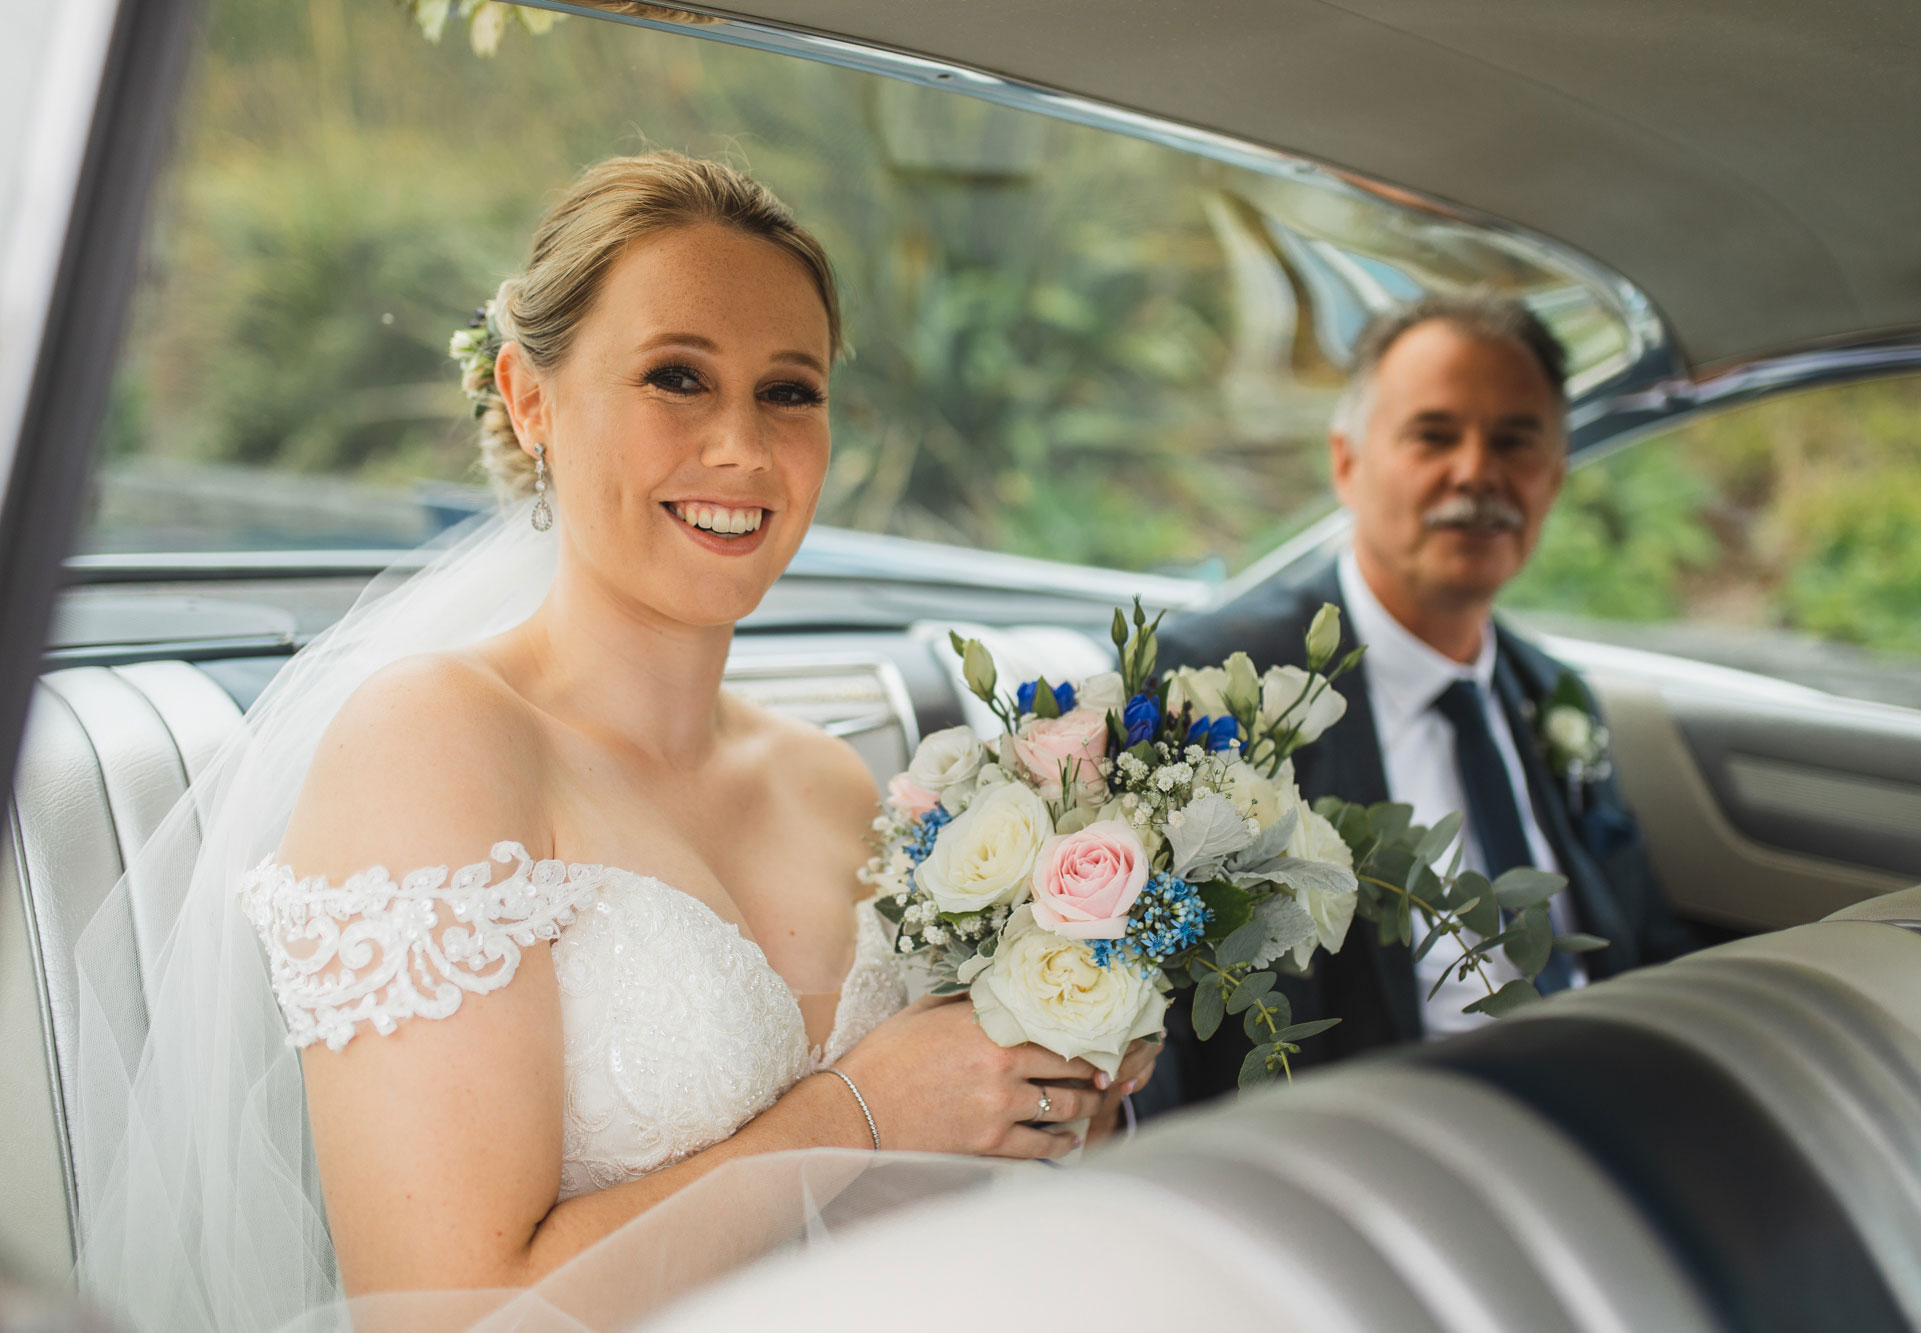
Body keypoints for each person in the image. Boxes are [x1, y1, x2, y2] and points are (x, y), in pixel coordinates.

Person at [72, 151, 1154, 1333]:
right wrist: (857, 1110)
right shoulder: (432, 744)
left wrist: (1035, 1103)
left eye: (789, 391)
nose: (743, 448)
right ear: (530, 400)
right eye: (676, 377)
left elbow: (887, 1209)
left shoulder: (830, 781)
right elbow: (449, 1316)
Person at [1144, 292, 1695, 1109]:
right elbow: (1170, 1024)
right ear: (1347, 463)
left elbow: (1638, 939)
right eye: (1434, 435)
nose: (1476, 472)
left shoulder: (1554, 695)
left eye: (1515, 441)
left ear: (1554, 474)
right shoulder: (1225, 687)